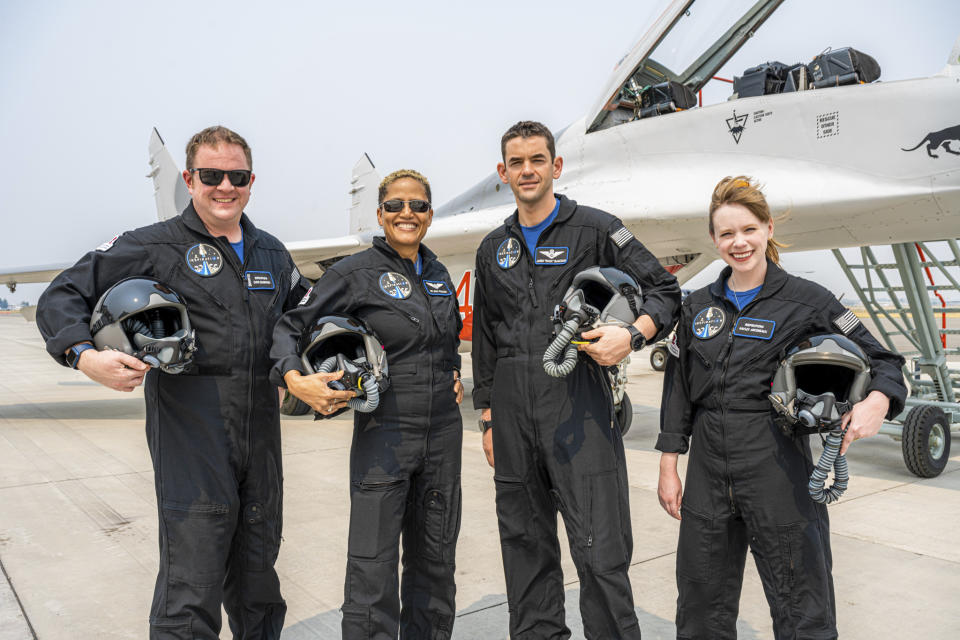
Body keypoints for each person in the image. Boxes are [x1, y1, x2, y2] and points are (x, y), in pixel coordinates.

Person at [35, 126, 326, 639]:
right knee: (192, 584)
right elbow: (63, 293)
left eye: (236, 176)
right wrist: (84, 356)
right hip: (191, 429)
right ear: (190, 179)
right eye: (211, 175)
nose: (224, 187)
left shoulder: (272, 254)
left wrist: (315, 369)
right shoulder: (154, 244)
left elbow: (304, 317)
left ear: (251, 181)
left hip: (260, 429)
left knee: (259, 578)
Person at [656, 176, 907, 639]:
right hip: (707, 469)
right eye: (727, 233)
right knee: (699, 605)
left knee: (801, 603)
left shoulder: (808, 300)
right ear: (714, 241)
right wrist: (669, 463)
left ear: (768, 229)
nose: (739, 242)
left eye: (748, 229)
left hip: (778, 465)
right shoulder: (695, 307)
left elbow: (885, 360)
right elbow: (678, 389)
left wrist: (878, 399)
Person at [472, 120, 682, 639]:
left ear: (555, 166)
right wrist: (489, 418)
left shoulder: (595, 228)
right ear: (503, 172)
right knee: (524, 545)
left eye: (537, 160)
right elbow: (486, 338)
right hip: (513, 414)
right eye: (516, 162)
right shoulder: (492, 247)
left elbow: (664, 291)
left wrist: (632, 335)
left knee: (600, 548)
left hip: (579, 409)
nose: (527, 170)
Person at [270, 169, 464, 639]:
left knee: (435, 562)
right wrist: (297, 379)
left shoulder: (437, 274)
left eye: (417, 206)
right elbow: (289, 326)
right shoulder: (354, 272)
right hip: (386, 433)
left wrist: (453, 370)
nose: (406, 214)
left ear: (430, 215)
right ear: (379, 214)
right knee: (372, 566)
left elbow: (444, 341)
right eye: (395, 205)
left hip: (442, 434)